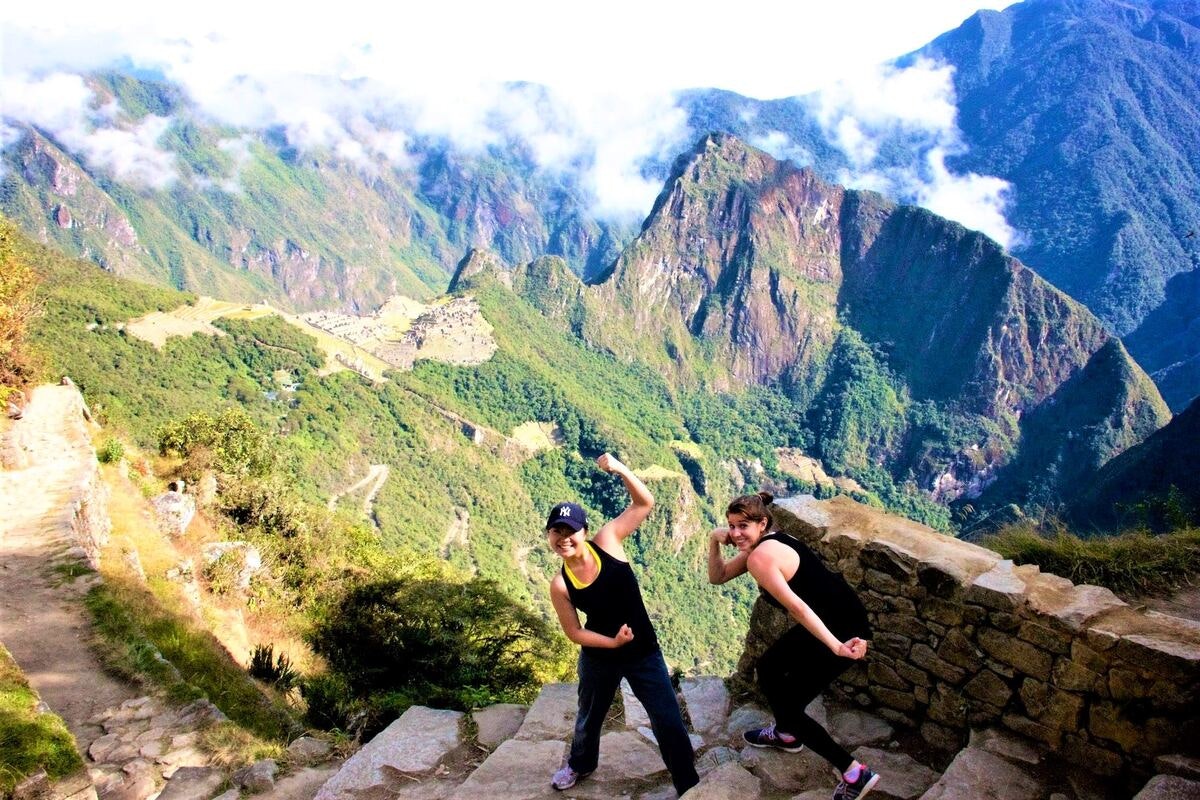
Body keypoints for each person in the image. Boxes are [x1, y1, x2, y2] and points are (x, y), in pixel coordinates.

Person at [707, 491, 879, 800]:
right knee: (769, 668)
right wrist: (713, 540)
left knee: (789, 704)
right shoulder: (772, 540)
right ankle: (786, 734)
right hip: (840, 615)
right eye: (731, 526)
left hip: (838, 629)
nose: (735, 533)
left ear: (762, 523)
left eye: (743, 526)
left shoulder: (760, 557)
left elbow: (798, 608)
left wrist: (837, 647)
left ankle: (854, 772)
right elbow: (718, 576)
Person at [546, 453, 699, 796]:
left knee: (667, 719)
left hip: (643, 651)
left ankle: (688, 784)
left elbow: (645, 503)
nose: (563, 538)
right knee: (589, 716)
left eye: (570, 531)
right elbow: (574, 632)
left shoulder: (608, 542)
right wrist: (612, 643)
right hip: (599, 656)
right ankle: (580, 764)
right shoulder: (560, 584)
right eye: (556, 531)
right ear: (548, 535)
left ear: (585, 532)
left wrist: (619, 469)